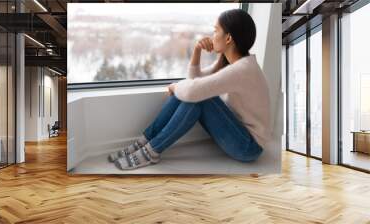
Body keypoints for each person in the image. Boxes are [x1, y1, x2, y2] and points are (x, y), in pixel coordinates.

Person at [108, 8, 271, 170]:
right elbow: (194, 82)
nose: (212, 35)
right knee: (191, 92)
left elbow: (193, 91)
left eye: (216, 31)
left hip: (248, 147)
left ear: (228, 38)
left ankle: (151, 151)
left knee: (196, 96)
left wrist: (176, 86)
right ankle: (144, 143)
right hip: (236, 132)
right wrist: (197, 50)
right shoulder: (232, 64)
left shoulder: (242, 70)